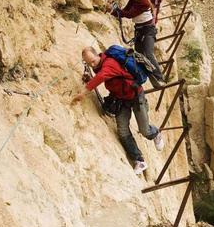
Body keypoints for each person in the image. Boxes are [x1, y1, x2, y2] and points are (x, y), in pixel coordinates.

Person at [71, 47, 165, 175]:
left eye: (93, 61)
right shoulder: (99, 66)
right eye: (89, 63)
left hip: (136, 96)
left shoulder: (109, 63)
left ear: (98, 55)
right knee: (123, 131)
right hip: (121, 99)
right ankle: (139, 160)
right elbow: (100, 75)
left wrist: (83, 92)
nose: (92, 65)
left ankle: (156, 134)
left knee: (145, 130)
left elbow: (102, 76)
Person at [107, 0, 165, 87]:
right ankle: (141, 76)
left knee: (148, 53)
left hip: (148, 31)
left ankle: (159, 78)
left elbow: (129, 14)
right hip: (139, 30)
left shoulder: (144, 2)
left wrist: (114, 10)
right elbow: (125, 10)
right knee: (138, 55)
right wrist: (113, 11)